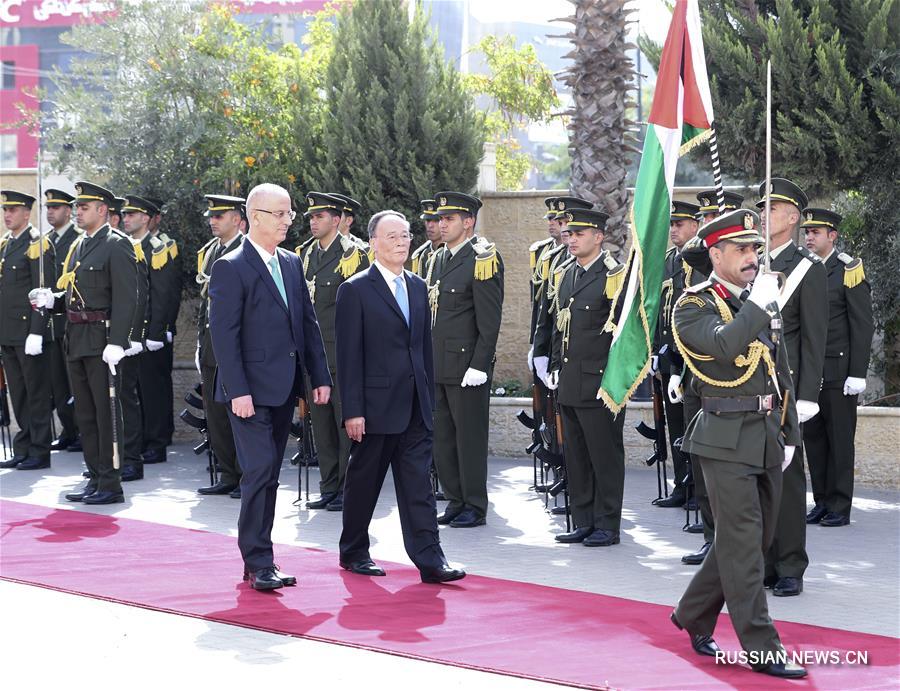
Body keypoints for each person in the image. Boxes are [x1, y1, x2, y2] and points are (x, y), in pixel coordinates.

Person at [669, 208, 806, 679]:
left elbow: (779, 370)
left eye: (754, 248)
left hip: (766, 435)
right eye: (742, 250)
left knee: (748, 540)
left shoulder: (756, 300)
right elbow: (726, 346)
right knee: (746, 547)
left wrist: (791, 434)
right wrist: (758, 303)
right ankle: (763, 649)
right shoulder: (691, 305)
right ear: (716, 254)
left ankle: (691, 612)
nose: (753, 257)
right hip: (724, 440)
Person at [209, 183, 331, 591]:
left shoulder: (292, 263)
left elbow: (307, 325)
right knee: (259, 471)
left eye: (289, 214)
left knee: (269, 474)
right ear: (255, 216)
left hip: (284, 388)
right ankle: (259, 560)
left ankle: (260, 559)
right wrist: (238, 390)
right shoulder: (231, 265)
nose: (287, 221)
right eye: (279, 214)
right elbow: (224, 337)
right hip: (248, 392)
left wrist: (321, 377)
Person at [335, 210, 465, 583]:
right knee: (364, 484)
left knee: (419, 487)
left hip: (413, 408)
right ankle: (354, 551)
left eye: (406, 235)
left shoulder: (418, 286)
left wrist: (427, 399)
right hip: (373, 410)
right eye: (391, 236)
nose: (401, 242)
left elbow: (422, 349)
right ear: (373, 242)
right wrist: (353, 410)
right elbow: (348, 357)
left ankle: (430, 560)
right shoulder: (355, 290)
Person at [30, 181, 138, 504]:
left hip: (101, 340)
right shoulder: (80, 246)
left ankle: (111, 482)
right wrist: (53, 300)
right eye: (77, 206)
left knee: (105, 413)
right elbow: (78, 295)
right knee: (86, 415)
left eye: (84, 207)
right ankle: (94, 475)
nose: (77, 211)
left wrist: (118, 341)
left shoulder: (117, 245)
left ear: (103, 210)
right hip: (76, 339)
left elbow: (126, 297)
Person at [758, 178, 827, 598]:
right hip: (751, 385)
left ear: (793, 216)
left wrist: (806, 396)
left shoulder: (808, 268)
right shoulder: (753, 263)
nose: (764, 213)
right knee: (757, 477)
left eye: (773, 207)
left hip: (787, 389)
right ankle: (764, 560)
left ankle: (790, 565)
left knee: (786, 480)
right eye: (761, 206)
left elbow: (814, 337)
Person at [545, 207, 625, 546]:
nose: (571, 238)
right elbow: (557, 324)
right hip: (570, 379)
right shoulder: (565, 274)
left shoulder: (613, 275)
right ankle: (583, 520)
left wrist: (616, 379)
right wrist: (552, 365)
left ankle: (607, 523)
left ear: (598, 236)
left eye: (579, 233)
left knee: (603, 455)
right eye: (569, 233)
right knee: (575, 455)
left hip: (601, 381)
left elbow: (623, 334)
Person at [429, 191, 503, 528]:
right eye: (440, 219)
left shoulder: (483, 258)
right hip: (437, 364)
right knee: (443, 438)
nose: (442, 225)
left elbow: (489, 322)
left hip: (466, 368)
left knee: (469, 439)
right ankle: (455, 500)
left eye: (449, 219)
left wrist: (480, 365)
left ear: (468, 221)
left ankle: (475, 503)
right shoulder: (436, 259)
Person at [296, 191, 370, 511]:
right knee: (322, 425)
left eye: (320, 217)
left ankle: (346, 487)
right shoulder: (305, 255)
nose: (313, 222)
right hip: (315, 355)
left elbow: (359, 310)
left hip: (341, 353)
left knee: (343, 424)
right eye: (311, 217)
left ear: (337, 220)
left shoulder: (352, 255)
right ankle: (328, 485)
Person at [801, 208, 874, 527]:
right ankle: (821, 500)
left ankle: (840, 505)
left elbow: (862, 324)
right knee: (814, 440)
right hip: (811, 371)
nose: (809, 237)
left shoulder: (849, 270)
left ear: (832, 235)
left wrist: (858, 372)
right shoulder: (803, 270)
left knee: (840, 440)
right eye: (807, 232)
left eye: (816, 232)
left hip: (840, 370)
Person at [0, 190, 55, 471]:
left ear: (26, 213)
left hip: (27, 333)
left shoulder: (38, 244)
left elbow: (43, 293)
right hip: (7, 333)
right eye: (5, 210)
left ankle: (40, 450)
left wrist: (37, 331)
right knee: (18, 394)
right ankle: (24, 447)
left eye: (13, 210)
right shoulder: (6, 245)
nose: (7, 215)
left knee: (35, 393)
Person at [196, 194, 245, 497]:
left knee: (239, 415)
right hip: (212, 346)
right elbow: (206, 304)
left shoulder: (246, 251)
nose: (213, 221)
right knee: (215, 415)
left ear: (238, 220)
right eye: (211, 217)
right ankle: (228, 473)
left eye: (219, 216)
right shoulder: (211, 252)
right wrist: (201, 345)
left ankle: (245, 475)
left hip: (237, 348)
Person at [652, 200, 701, 508]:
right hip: (671, 354)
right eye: (671, 224)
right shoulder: (667, 260)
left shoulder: (701, 261)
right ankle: (681, 485)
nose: (673, 230)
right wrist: (656, 350)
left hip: (695, 354)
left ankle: (700, 490)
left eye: (679, 224)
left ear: (694, 227)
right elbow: (658, 310)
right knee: (675, 424)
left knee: (695, 424)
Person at [124, 196, 178, 468]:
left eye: (132, 214)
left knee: (153, 390)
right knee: (134, 391)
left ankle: (156, 443)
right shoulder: (125, 246)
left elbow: (163, 294)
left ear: (146, 218)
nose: (126, 218)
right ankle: (141, 441)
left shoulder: (158, 248)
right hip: (130, 336)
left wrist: (157, 332)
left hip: (149, 335)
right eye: (125, 214)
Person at [44, 188, 80, 452]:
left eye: (55, 207)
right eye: (48, 208)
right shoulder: (45, 241)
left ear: (68, 211)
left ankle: (80, 431)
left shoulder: (76, 240)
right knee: (57, 384)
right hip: (50, 325)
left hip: (70, 323)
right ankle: (68, 430)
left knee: (74, 382)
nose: (50, 212)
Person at [410, 199, 442, 278]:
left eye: (436, 220)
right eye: (428, 220)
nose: (430, 225)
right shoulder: (421, 255)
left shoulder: (453, 254)